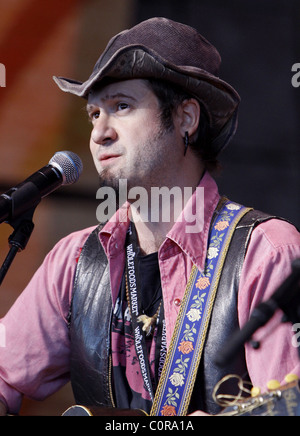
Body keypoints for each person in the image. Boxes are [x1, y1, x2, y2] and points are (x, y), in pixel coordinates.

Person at [0, 17, 300, 417]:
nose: (99, 132)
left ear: (185, 118)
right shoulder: (74, 260)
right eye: (93, 114)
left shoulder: (267, 254)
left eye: (121, 106)